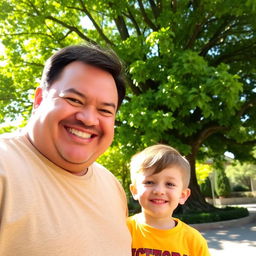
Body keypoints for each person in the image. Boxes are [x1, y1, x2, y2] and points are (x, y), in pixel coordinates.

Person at [0, 44, 131, 256]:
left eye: (105, 110)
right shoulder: (4, 167)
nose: (88, 119)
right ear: (40, 100)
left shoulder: (112, 186)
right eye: (74, 100)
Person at [127, 144, 210, 256]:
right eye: (149, 182)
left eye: (169, 184)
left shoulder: (194, 241)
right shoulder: (123, 230)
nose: (159, 191)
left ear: (183, 195)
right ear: (135, 190)